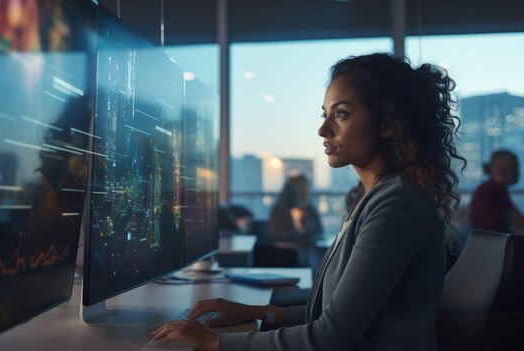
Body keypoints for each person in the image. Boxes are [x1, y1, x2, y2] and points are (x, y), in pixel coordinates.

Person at [151, 53, 465, 351]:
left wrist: (215, 343)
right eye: (325, 114)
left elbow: (328, 338)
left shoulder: (398, 205)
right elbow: (333, 316)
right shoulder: (377, 197)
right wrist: (261, 312)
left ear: (386, 122)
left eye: (341, 114)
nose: (323, 129)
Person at [469, 150, 524, 247]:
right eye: (513, 166)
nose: (517, 171)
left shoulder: (488, 188)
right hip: (496, 249)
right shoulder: (495, 189)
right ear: (500, 170)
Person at [268, 174, 323, 267]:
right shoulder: (279, 210)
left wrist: (308, 229)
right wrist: (299, 234)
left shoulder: (308, 208)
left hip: (306, 247)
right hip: (287, 252)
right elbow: (276, 235)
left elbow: (318, 229)